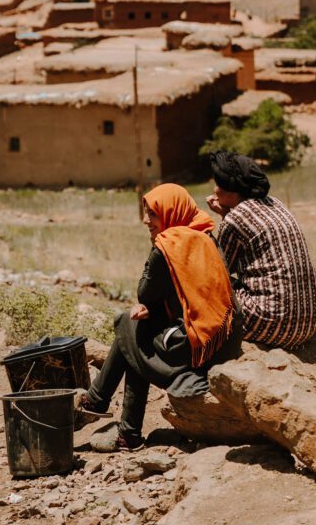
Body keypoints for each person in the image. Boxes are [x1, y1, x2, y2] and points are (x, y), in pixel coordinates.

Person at [76, 183, 240, 450]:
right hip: (216, 337)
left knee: (129, 326)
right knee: (137, 331)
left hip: (192, 347)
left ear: (171, 212)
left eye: (153, 214)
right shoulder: (205, 234)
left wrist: (155, 251)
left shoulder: (169, 246)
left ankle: (99, 402)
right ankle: (125, 432)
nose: (145, 221)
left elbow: (145, 292)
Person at [207, 150, 316, 349]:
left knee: (206, 284)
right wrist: (226, 213)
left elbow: (220, 271)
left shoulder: (235, 219)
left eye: (219, 185)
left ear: (232, 190)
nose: (215, 190)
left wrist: (224, 218)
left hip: (273, 323)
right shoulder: (275, 203)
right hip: (308, 322)